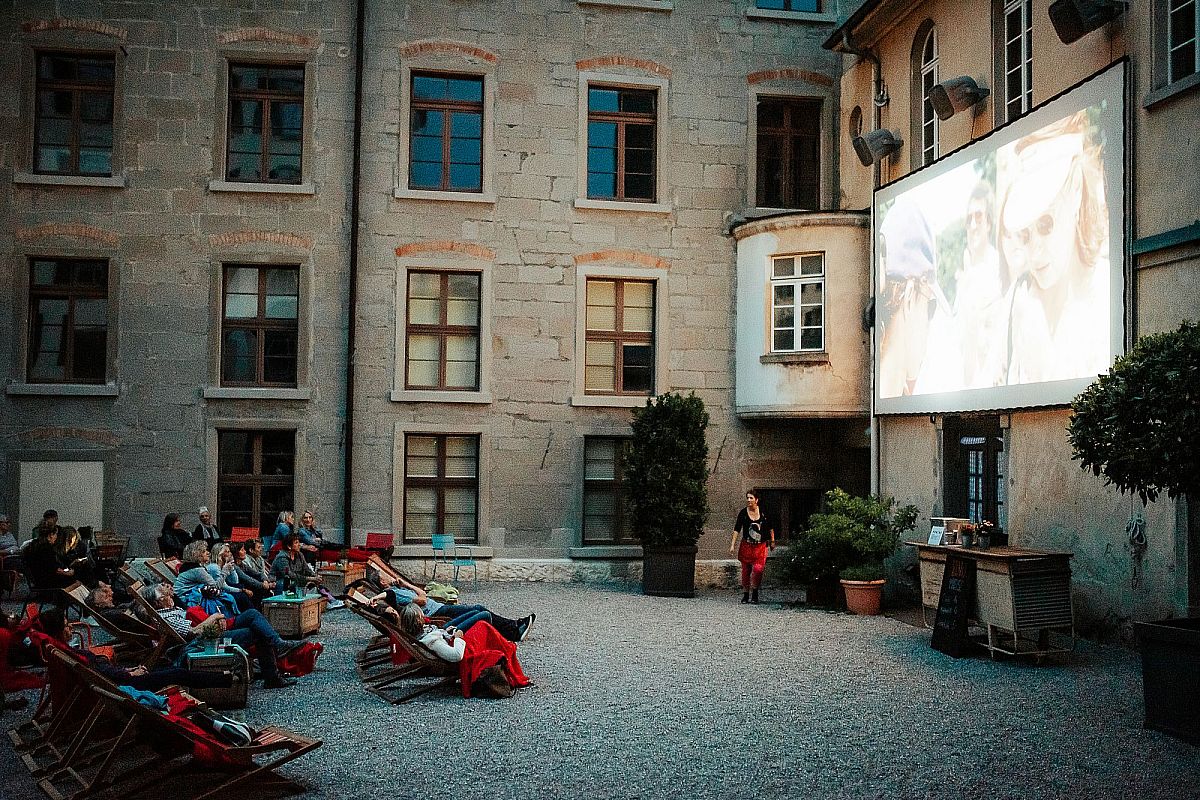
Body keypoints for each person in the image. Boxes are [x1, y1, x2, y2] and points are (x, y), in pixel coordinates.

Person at [1000, 110, 1110, 385]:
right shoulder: (1020, 303)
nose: (1035, 252)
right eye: (1024, 234)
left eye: (1046, 225)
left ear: (1074, 189)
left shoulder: (1105, 295)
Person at [37, 607, 234, 693]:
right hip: (124, 685)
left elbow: (99, 670)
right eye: (66, 625)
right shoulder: (71, 654)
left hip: (119, 680)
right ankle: (226, 679)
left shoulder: (60, 650)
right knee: (177, 673)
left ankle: (224, 677)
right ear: (58, 630)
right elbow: (101, 672)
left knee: (170, 672)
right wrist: (130, 672)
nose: (71, 627)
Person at [141, 583, 299, 689]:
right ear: (156, 604)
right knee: (255, 631)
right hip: (204, 641)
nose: (170, 597)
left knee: (252, 616)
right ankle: (273, 671)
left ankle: (277, 649)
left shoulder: (172, 609)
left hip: (210, 632)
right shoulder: (165, 617)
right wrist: (215, 617)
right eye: (165, 597)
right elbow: (193, 632)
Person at [397, 603, 529, 698]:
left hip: (444, 634)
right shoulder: (432, 642)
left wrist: (445, 632)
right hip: (455, 642)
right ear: (419, 620)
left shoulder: (416, 633)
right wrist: (458, 637)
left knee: (478, 611)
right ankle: (510, 636)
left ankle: (512, 631)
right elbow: (456, 655)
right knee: (483, 618)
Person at [371, 572, 534, 642]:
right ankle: (514, 630)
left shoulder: (397, 590)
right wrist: (405, 586)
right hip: (438, 611)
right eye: (385, 575)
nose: (389, 576)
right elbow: (422, 599)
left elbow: (421, 594)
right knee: (480, 611)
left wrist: (405, 584)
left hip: (439, 608)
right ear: (383, 582)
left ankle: (513, 627)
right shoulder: (395, 592)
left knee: (479, 608)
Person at [174, 541, 249, 614]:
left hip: (183, 598)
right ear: (196, 554)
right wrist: (225, 571)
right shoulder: (198, 570)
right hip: (185, 601)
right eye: (204, 551)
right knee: (238, 597)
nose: (208, 552)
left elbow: (233, 582)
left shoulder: (190, 566)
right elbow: (216, 587)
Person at [271, 535, 343, 609]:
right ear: (289, 546)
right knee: (293, 582)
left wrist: (315, 577)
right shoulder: (282, 557)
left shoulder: (299, 555)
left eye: (299, 542)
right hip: (282, 581)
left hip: (296, 579)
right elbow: (289, 574)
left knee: (317, 584)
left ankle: (331, 600)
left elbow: (306, 569)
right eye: (296, 543)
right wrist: (309, 578)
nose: (299, 545)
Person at [729, 490, 775, 605]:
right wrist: (732, 545)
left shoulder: (763, 512)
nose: (749, 500)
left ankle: (755, 592)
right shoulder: (743, 513)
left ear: (756, 500)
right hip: (747, 546)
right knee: (746, 571)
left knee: (758, 570)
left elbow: (771, 527)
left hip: (760, 546)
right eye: (747, 498)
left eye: (751, 498)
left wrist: (773, 540)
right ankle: (745, 595)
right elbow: (737, 529)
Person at [25, 526, 76, 591]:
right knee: (75, 581)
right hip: (47, 581)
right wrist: (69, 573)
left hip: (37, 579)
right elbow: (54, 569)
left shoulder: (32, 546)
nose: (57, 537)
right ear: (51, 535)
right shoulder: (47, 549)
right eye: (56, 534)